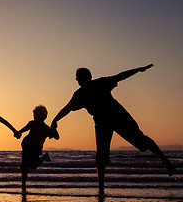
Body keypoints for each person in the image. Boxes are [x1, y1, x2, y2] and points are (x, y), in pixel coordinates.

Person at [51, 64, 175, 192]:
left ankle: (164, 160)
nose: (81, 81)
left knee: (137, 144)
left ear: (82, 79)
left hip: (116, 117)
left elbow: (67, 109)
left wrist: (55, 120)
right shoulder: (85, 91)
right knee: (104, 154)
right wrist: (138, 70)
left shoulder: (91, 88)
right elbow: (121, 76)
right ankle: (101, 188)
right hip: (106, 121)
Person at [16, 105, 59, 192]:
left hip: (33, 147)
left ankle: (43, 157)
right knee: (26, 167)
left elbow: (56, 137)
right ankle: (23, 186)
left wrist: (18, 132)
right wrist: (19, 132)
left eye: (35, 115)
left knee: (29, 166)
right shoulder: (43, 127)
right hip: (28, 146)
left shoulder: (39, 125)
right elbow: (56, 137)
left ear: (42, 116)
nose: (34, 116)